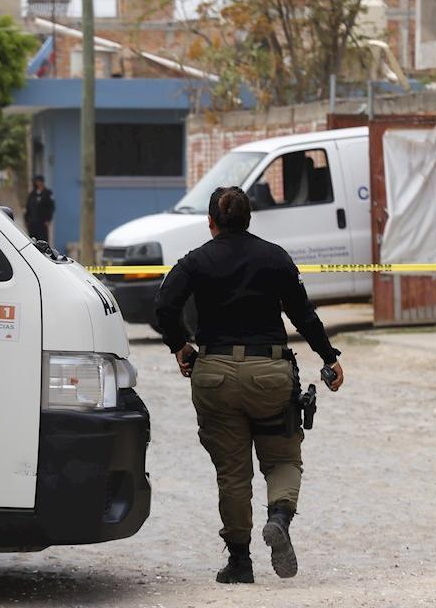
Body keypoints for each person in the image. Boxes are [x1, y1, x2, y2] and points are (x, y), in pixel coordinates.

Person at [154, 186, 345, 585]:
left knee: (232, 473)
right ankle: (279, 518)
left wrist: (181, 346)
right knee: (283, 460)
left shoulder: (196, 261)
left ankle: (240, 562)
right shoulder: (275, 257)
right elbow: (303, 315)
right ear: (249, 219)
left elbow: (164, 306)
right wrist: (329, 358)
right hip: (269, 373)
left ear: (211, 222)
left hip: (215, 376)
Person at [24, 175, 55, 242]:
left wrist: (48, 220)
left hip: (42, 223)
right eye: (36, 182)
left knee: (42, 240)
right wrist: (26, 220)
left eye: (38, 181)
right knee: (32, 240)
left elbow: (51, 207)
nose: (37, 183)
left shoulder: (48, 193)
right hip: (32, 223)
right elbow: (28, 207)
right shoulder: (32, 194)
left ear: (42, 182)